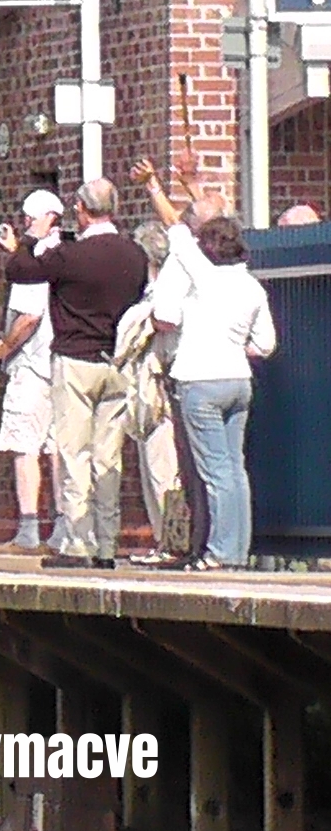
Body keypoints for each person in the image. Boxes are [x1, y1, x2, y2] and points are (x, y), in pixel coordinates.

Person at [2, 176, 149, 569]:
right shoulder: (135, 255)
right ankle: (106, 544)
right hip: (117, 362)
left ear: (81, 211)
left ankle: (77, 543)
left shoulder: (70, 256)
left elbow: (21, 270)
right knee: (108, 458)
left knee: (72, 454)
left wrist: (31, 238)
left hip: (75, 360)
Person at [140, 166, 277, 571]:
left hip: (200, 380)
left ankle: (219, 553)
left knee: (213, 471)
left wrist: (154, 187)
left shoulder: (202, 274)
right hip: (239, 380)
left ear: (209, 249)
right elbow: (266, 344)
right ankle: (237, 550)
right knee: (235, 469)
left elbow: (178, 233)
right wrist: (235, 346)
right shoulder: (252, 286)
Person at [0, 190, 63, 557]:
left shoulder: (32, 265)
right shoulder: (64, 256)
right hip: (61, 364)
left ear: (48, 218)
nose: (26, 223)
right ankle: (63, 529)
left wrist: (3, 347)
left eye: (32, 218)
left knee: (25, 446)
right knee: (59, 447)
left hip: (31, 365)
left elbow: (29, 317)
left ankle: (29, 532)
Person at [112, 220, 193, 567]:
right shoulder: (157, 293)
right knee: (159, 468)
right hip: (159, 391)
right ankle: (168, 539)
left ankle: (172, 543)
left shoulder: (163, 296)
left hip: (160, 392)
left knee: (164, 470)